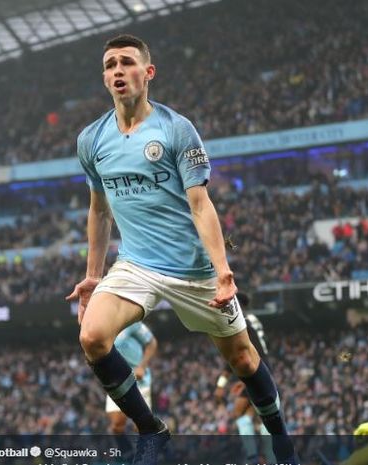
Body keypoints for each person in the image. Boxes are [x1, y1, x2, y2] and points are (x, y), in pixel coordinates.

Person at [66, 34, 297, 465]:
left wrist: (223, 270)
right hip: (135, 264)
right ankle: (151, 429)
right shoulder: (91, 140)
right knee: (93, 337)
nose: (118, 71)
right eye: (110, 64)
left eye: (127, 63)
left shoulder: (176, 129)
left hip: (193, 270)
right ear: (104, 76)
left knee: (244, 360)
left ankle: (282, 438)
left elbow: (200, 203)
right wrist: (94, 274)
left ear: (147, 73)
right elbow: (99, 211)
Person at [214, 293, 275, 464]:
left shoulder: (242, 324)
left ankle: (253, 457)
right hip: (262, 369)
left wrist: (226, 383)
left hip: (256, 370)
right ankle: (269, 457)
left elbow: (245, 355)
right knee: (257, 414)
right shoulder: (253, 320)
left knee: (239, 411)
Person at [107, 322, 158, 460]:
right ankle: (128, 454)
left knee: (140, 427)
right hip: (116, 380)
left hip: (138, 380)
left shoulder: (131, 323)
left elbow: (152, 343)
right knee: (117, 426)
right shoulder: (101, 327)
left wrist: (142, 365)